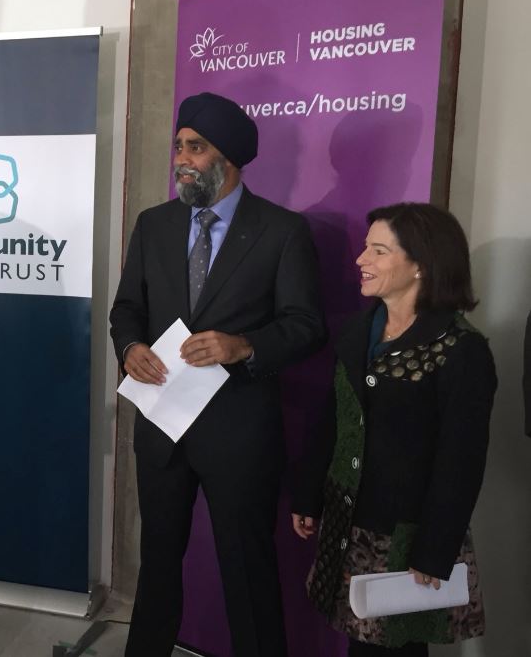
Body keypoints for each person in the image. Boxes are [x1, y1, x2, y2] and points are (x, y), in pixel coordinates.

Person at [110, 91, 326, 657]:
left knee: (248, 572)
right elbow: (126, 308)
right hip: (162, 428)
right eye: (179, 146)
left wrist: (243, 345)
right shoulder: (153, 224)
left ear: (227, 159)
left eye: (195, 147)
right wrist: (129, 346)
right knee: (156, 568)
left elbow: (306, 326)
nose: (182, 158)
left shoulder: (282, 231)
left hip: (240, 436)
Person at [292, 203, 494, 656]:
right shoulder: (359, 332)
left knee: (396, 646)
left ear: (421, 264)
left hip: (408, 534)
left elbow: (461, 460)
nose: (361, 260)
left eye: (378, 251)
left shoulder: (462, 351)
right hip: (349, 520)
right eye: (366, 248)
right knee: (357, 641)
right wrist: (307, 492)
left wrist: (434, 549)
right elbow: (332, 418)